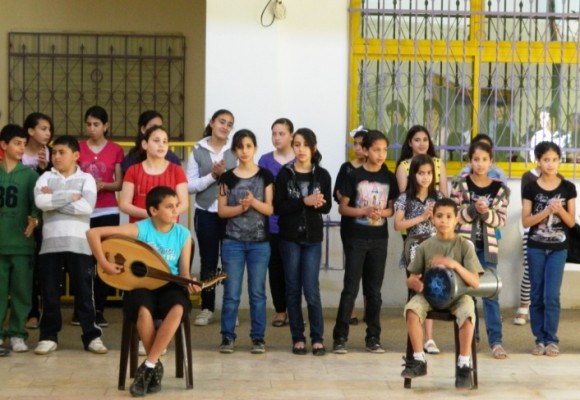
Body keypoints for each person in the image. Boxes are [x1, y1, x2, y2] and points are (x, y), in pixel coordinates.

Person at [86, 186, 200, 396]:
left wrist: (190, 281)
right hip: (139, 285)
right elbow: (93, 233)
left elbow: (183, 272)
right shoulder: (140, 229)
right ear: (153, 211)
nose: (176, 211)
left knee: (177, 308)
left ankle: (148, 366)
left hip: (170, 285)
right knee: (143, 310)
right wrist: (104, 263)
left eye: (177, 206)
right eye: (169, 207)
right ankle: (154, 367)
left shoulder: (183, 234)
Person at [33, 135, 107, 355]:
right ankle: (48, 337)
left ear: (75, 155)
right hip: (50, 245)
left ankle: (91, 336)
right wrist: (70, 197)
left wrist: (54, 200)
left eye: (61, 152)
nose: (56, 156)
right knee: (49, 293)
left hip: (80, 244)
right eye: (54, 152)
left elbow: (87, 207)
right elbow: (40, 202)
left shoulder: (87, 179)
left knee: (85, 292)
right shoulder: (45, 177)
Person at [401, 198, 483, 389]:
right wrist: (412, 282)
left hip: (458, 297)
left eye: (448, 217)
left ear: (456, 220)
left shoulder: (464, 246)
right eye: (439, 216)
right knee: (412, 309)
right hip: (429, 296)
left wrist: (453, 264)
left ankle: (463, 364)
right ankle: (419, 360)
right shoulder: (425, 247)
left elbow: (474, 282)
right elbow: (412, 278)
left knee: (468, 314)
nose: (444, 220)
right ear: (432, 219)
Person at [332, 130, 398, 354]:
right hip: (356, 238)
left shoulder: (388, 177)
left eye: (384, 150)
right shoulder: (354, 175)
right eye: (376, 150)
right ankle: (340, 337)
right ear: (366, 150)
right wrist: (364, 210)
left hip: (379, 239)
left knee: (374, 291)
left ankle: (373, 337)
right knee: (350, 288)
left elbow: (392, 208)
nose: (381, 154)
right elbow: (343, 207)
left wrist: (384, 214)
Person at [275, 128, 332, 356]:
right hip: (289, 237)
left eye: (305, 145)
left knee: (311, 289)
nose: (300, 149)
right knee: (292, 289)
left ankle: (317, 338)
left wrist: (317, 202)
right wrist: (304, 201)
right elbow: (279, 207)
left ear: (313, 148)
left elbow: (327, 207)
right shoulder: (284, 173)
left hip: (313, 238)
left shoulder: (323, 175)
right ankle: (297, 337)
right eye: (297, 145)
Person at [451, 140, 510, 359]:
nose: (480, 164)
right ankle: (471, 338)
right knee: (468, 293)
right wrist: (472, 209)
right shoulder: (461, 184)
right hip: (466, 248)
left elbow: (501, 221)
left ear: (491, 162)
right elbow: (455, 217)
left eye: (485, 159)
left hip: (488, 248)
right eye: (476, 159)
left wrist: (485, 213)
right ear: (470, 161)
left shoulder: (500, 189)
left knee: (490, 293)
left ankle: (496, 341)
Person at [218, 129, 274, 354]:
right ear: (234, 150)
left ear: (255, 148)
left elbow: (270, 209)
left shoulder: (266, 176)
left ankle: (258, 338)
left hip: (260, 243)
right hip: (233, 242)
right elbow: (222, 211)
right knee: (231, 292)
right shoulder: (227, 177)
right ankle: (227, 337)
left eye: (248, 146)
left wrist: (253, 203)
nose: (244, 151)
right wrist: (240, 207)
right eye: (240, 147)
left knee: (257, 293)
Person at [395, 125, 447, 353]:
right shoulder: (404, 198)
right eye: (420, 173)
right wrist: (421, 217)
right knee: (416, 289)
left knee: (433, 287)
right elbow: (398, 224)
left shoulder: (438, 197)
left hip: (435, 246)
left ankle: (429, 338)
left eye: (429, 173)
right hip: (414, 247)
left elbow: (446, 222)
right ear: (413, 174)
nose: (425, 177)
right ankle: (414, 339)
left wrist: (436, 218)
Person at [522, 142, 576, 357]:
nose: (550, 164)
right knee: (536, 294)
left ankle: (552, 339)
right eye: (546, 160)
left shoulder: (568, 188)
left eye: (554, 159)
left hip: (558, 248)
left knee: (551, 295)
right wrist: (546, 211)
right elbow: (527, 222)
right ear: (538, 161)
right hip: (535, 246)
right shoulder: (531, 187)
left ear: (559, 161)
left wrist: (559, 210)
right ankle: (540, 340)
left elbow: (571, 222)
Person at [186, 109, 237, 326]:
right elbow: (190, 185)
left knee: (230, 261)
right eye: (221, 122)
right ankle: (207, 307)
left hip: (231, 213)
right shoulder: (197, 150)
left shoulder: (235, 150)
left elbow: (242, 179)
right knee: (208, 261)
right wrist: (213, 176)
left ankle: (229, 309)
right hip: (206, 211)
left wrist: (226, 177)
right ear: (212, 123)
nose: (225, 127)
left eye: (229, 124)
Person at [78, 106, 124, 327]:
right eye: (88, 124)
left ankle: (99, 309)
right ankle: (82, 308)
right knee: (82, 261)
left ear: (106, 126)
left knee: (103, 259)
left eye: (96, 124)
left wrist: (103, 184)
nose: (92, 128)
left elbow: (119, 182)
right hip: (84, 210)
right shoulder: (78, 148)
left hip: (107, 209)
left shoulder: (115, 149)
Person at [0, 124, 41, 353]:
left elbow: (38, 209)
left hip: (21, 244)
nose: (22, 148)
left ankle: (17, 333)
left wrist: (35, 220)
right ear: (4, 145)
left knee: (21, 292)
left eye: (24, 144)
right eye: (17, 143)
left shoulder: (31, 176)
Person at [258, 118, 294, 328]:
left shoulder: (299, 159)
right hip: (271, 223)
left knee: (294, 270)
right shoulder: (264, 160)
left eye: (281, 133)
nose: (277, 138)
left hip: (294, 224)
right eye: (274, 133)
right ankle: (280, 311)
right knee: (276, 268)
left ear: (291, 135)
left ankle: (294, 310)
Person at [21, 112, 54, 330]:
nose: (48, 133)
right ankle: (29, 311)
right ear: (30, 131)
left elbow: (51, 184)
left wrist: (45, 168)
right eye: (43, 128)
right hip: (20, 214)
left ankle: (41, 310)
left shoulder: (51, 153)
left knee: (42, 263)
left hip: (42, 215)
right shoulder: (18, 150)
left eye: (49, 129)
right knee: (26, 264)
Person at [120, 125, 188, 223]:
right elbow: (124, 205)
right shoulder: (133, 170)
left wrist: (166, 214)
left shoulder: (176, 170)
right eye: (156, 141)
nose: (161, 145)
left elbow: (184, 204)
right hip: (140, 228)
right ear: (145, 144)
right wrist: (151, 214)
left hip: (167, 228)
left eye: (165, 141)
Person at [334, 126, 368, 325]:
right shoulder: (346, 168)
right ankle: (351, 309)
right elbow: (338, 193)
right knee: (353, 268)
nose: (358, 148)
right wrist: (348, 197)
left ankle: (369, 309)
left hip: (371, 225)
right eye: (355, 144)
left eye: (362, 144)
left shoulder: (377, 170)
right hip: (350, 223)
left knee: (370, 271)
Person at [121, 110, 181, 175]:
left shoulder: (172, 158)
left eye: (160, 127)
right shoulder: (131, 158)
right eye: (153, 127)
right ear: (143, 129)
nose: (157, 130)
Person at [396, 125, 448, 197]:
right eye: (417, 140)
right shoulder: (403, 167)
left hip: (437, 206)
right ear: (410, 143)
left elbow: (444, 195)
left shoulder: (439, 163)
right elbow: (403, 199)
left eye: (425, 140)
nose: (422, 144)